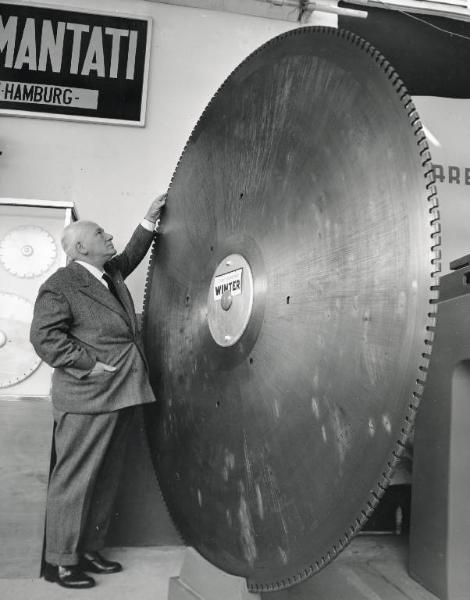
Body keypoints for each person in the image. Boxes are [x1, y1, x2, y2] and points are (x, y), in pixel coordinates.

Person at [29, 194, 166, 589]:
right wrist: (89, 364)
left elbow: (131, 254)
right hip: (88, 396)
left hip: (123, 390)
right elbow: (44, 338)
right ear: (80, 248)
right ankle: (61, 561)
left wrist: (148, 219)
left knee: (104, 477)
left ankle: (88, 550)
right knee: (76, 479)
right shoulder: (61, 285)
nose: (109, 237)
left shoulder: (110, 275)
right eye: (100, 233)